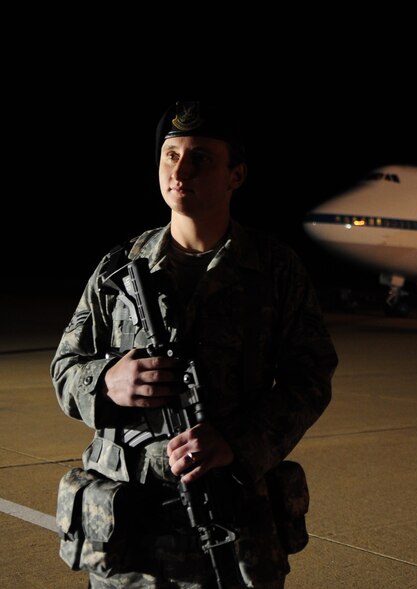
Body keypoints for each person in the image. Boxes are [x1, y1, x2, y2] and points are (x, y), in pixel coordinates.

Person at [51, 101, 338, 588]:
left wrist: (238, 444)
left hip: (232, 528)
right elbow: (65, 367)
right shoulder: (119, 269)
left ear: (236, 175)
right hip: (129, 535)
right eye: (170, 155)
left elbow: (309, 377)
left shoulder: (274, 270)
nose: (180, 170)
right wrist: (107, 381)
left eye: (200, 157)